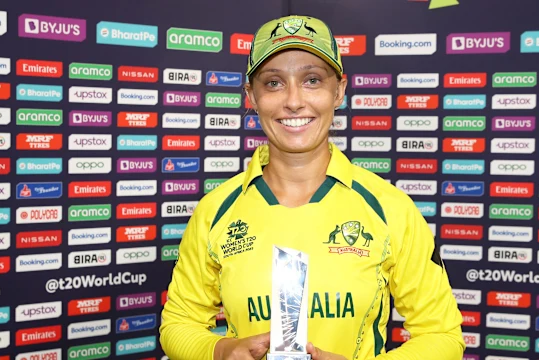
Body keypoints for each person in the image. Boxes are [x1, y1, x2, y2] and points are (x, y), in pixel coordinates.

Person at [159, 14, 464, 360]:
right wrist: (219, 350)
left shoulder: (389, 207)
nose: (293, 101)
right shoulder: (216, 211)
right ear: (251, 96)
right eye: (273, 83)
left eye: (312, 80)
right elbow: (178, 324)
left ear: (339, 91)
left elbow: (442, 335)